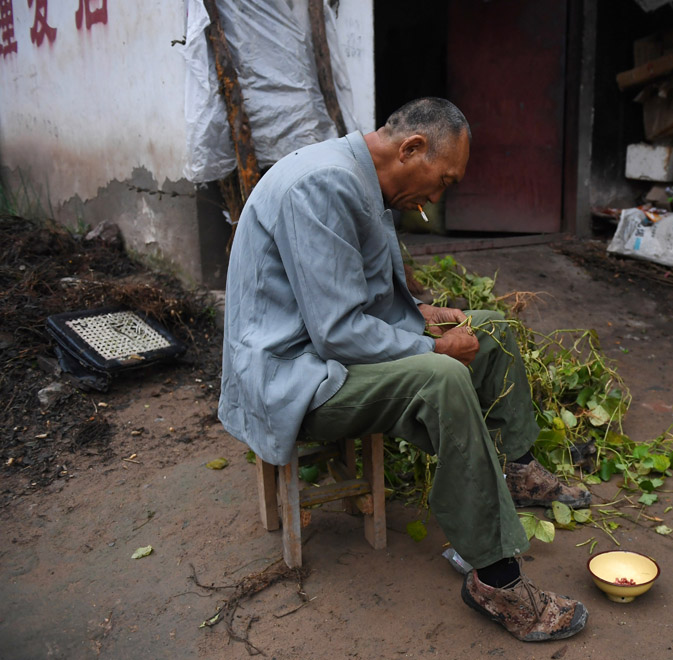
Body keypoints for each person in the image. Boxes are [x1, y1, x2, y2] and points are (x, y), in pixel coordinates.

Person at [218, 97, 589, 642]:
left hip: (329, 353)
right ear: (411, 148)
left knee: (491, 330)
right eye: (443, 181)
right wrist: (431, 349)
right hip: (294, 378)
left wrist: (422, 313)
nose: (436, 198)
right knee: (444, 375)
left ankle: (516, 470)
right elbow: (338, 331)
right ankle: (497, 581)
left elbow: (352, 294)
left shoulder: (359, 178)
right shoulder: (322, 185)